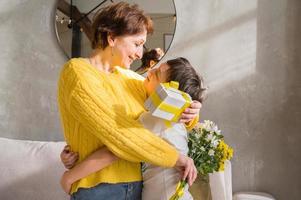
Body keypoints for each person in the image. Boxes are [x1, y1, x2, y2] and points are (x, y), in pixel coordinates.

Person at [57, 2, 201, 200]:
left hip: (137, 187)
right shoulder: (77, 73)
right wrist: (175, 158)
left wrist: (191, 112)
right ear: (112, 38)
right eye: (137, 44)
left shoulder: (130, 78)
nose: (140, 54)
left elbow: (166, 106)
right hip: (98, 189)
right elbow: (120, 135)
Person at [60, 57, 207, 200]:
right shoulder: (171, 117)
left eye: (156, 74)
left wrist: (69, 177)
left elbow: (117, 148)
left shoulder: (156, 118)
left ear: (170, 93)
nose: (150, 71)